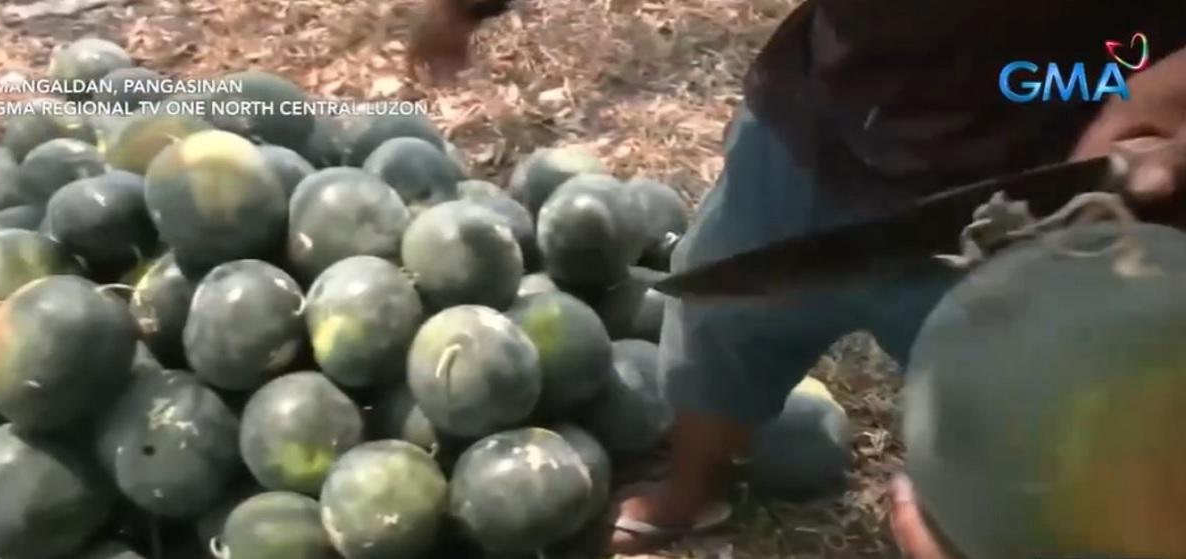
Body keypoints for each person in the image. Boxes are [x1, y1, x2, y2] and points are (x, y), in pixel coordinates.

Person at [407, 0, 1186, 554]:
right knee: (718, 318)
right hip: (816, 124)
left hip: (1040, 181)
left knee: (1005, 421)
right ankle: (689, 487)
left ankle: (952, 510)